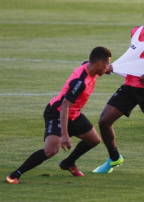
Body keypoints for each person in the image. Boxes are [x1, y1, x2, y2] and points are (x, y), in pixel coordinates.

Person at [6, 47, 112, 184]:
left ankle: (68, 162)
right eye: (107, 64)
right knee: (51, 150)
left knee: (94, 140)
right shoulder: (80, 82)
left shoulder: (93, 68)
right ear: (99, 63)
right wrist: (65, 135)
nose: (108, 67)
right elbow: (64, 107)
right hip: (57, 113)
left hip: (74, 114)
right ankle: (15, 174)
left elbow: (102, 67)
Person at [92, 4, 144, 174]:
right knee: (103, 121)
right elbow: (133, 59)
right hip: (130, 87)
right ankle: (114, 158)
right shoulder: (135, 32)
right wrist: (112, 68)